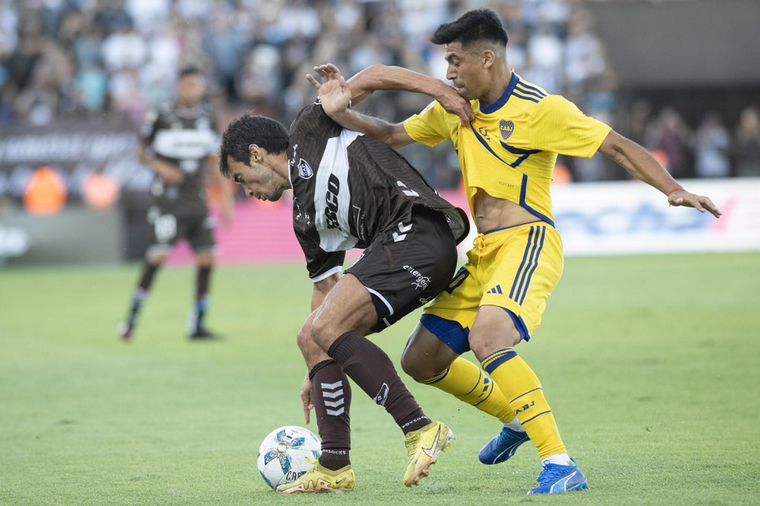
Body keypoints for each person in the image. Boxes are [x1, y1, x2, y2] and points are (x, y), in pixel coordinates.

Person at [306, 8, 721, 495]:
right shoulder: (456, 108)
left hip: (528, 243)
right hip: (484, 253)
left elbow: (618, 147)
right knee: (421, 360)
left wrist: (672, 189)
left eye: (456, 61)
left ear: (488, 57)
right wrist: (344, 115)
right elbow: (397, 135)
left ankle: (561, 464)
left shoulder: (540, 108)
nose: (449, 74)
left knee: (489, 339)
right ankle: (518, 418)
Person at [218, 92, 470, 492]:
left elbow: (370, 78)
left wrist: (438, 90)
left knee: (327, 327)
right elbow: (325, 293)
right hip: (404, 253)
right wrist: (315, 367)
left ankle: (420, 427)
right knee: (312, 333)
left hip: (418, 231)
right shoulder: (306, 221)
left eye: (239, 178)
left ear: (257, 154)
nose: (246, 191)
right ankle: (335, 465)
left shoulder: (308, 131)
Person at [119, 67, 233, 341]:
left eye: (196, 86)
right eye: (187, 86)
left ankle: (197, 323)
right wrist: (161, 166)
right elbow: (140, 150)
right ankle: (131, 320)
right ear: (179, 87)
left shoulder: (207, 118)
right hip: (169, 200)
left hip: (197, 198)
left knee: (207, 258)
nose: (191, 91)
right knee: (157, 257)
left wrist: (226, 198)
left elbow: (214, 159)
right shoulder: (162, 116)